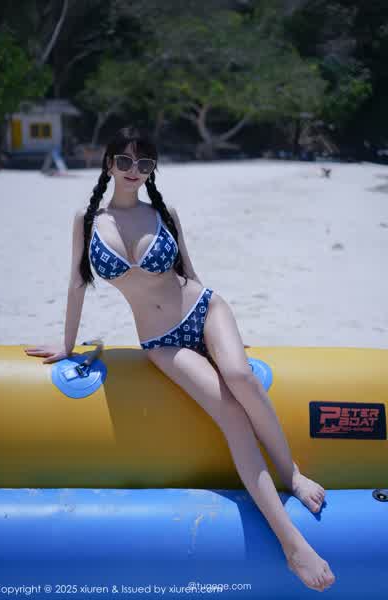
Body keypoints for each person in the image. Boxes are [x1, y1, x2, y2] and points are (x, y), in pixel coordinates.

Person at [25, 125, 335, 592]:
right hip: (161, 341)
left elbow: (189, 272)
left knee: (240, 376)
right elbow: (76, 284)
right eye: (125, 161)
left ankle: (290, 473)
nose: (134, 170)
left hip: (205, 309)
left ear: (152, 169)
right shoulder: (87, 220)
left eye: (144, 163)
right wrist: (67, 346)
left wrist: (223, 340)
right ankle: (292, 544)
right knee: (231, 415)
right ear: (109, 164)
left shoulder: (164, 213)